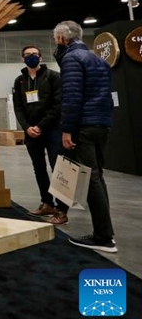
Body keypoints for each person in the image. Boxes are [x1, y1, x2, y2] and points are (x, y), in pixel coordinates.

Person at [53, 20, 117, 253]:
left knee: (90, 179)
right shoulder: (97, 59)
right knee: (98, 177)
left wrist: (67, 129)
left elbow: (71, 97)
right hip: (102, 124)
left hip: (84, 126)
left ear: (61, 39)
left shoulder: (72, 59)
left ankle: (103, 237)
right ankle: (105, 231)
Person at [12, 45, 69, 225]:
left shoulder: (53, 77)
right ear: (22, 58)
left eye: (35, 54)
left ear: (41, 57)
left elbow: (57, 105)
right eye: (28, 55)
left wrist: (41, 126)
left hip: (52, 130)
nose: (31, 57)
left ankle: (61, 210)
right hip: (31, 133)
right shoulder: (20, 81)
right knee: (39, 168)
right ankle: (47, 203)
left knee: (58, 169)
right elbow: (18, 107)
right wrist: (27, 127)